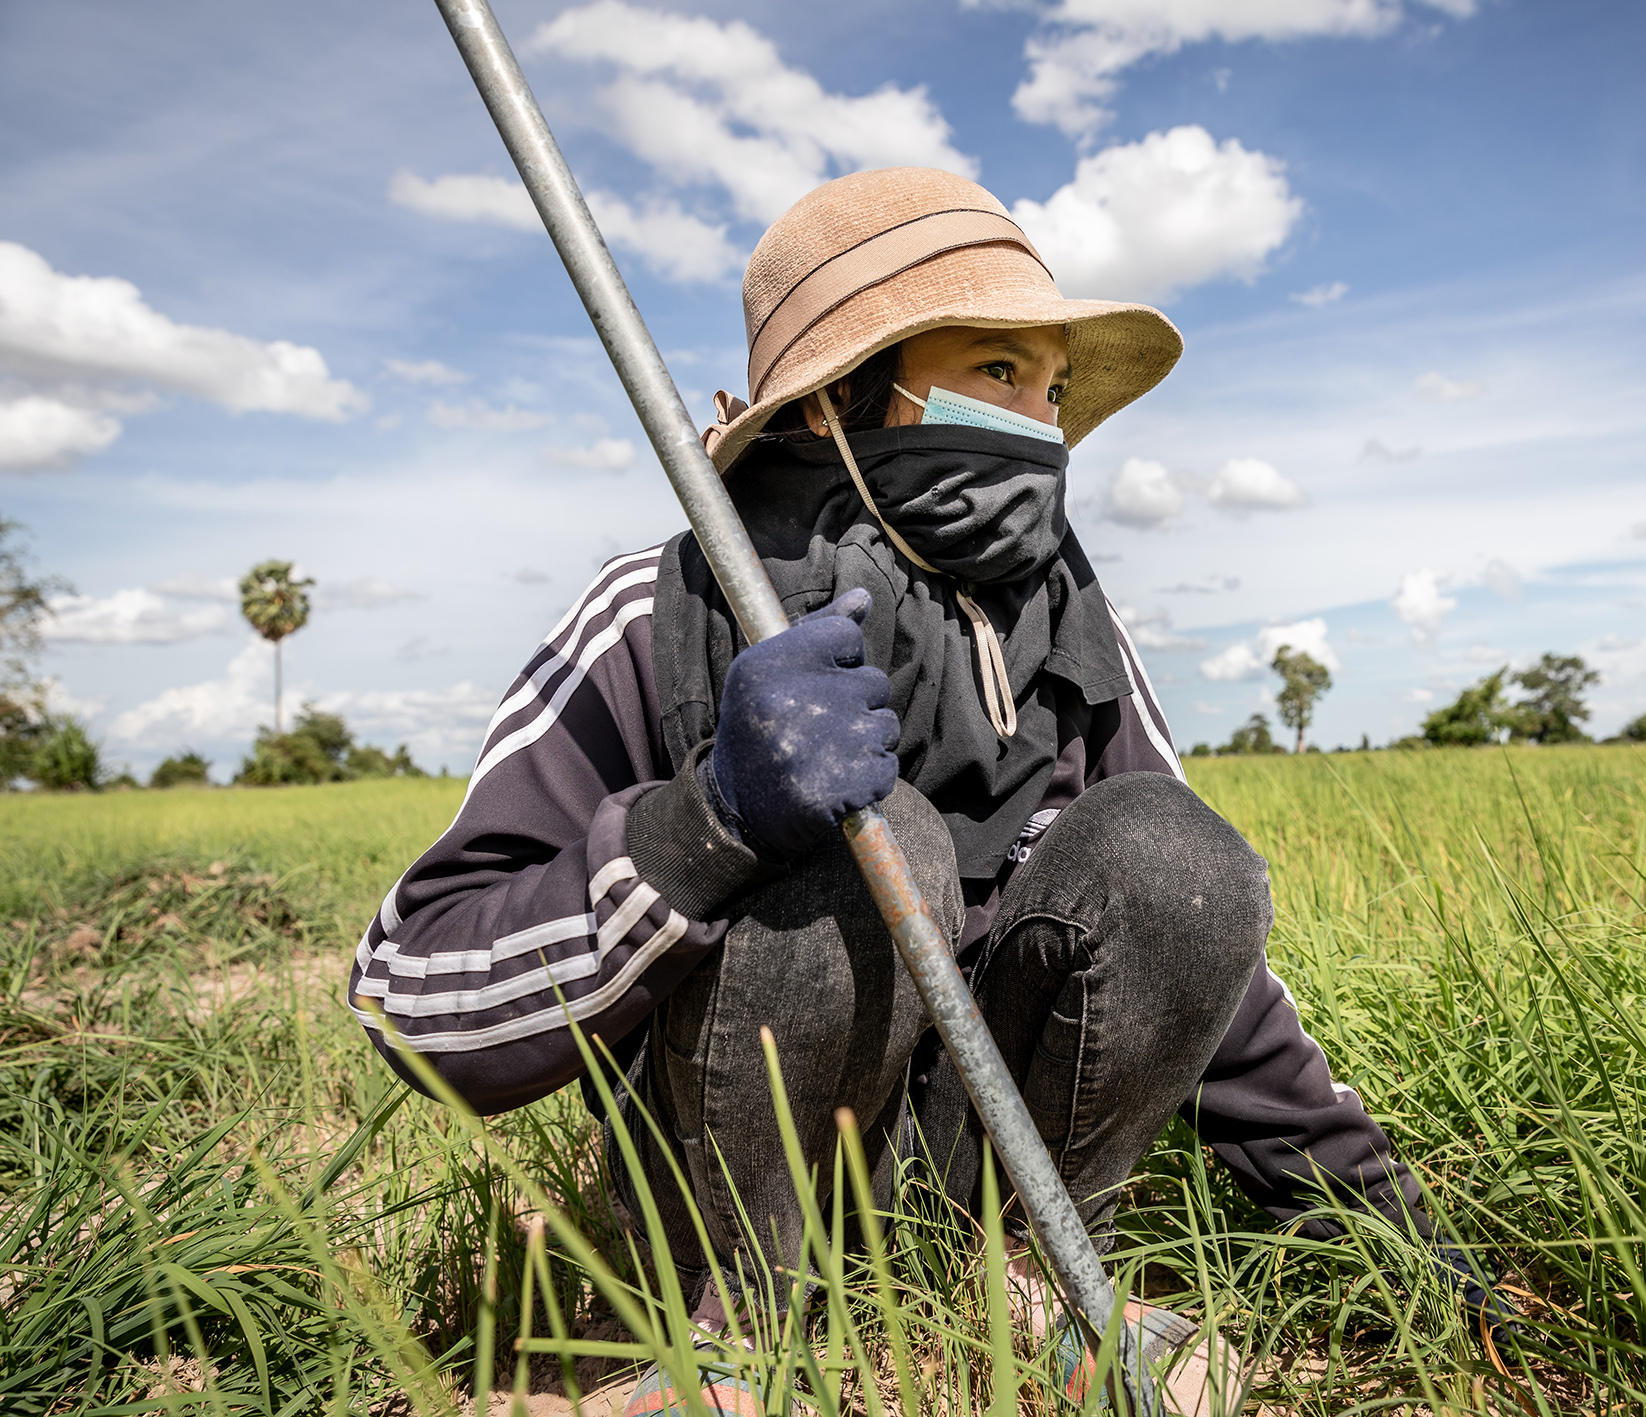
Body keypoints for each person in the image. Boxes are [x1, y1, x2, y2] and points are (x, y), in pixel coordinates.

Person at [346, 167, 1513, 1415]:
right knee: (878, 837)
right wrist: (705, 828)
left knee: (1170, 847)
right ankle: (724, 1338)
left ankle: (1030, 1275)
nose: (1039, 426)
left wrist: (1385, 1229)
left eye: (1051, 389)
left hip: (973, 1167)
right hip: (724, 1183)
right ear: (838, 398)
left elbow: (1197, 930)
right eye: (996, 371)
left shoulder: (1069, 626)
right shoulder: (659, 611)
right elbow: (412, 996)